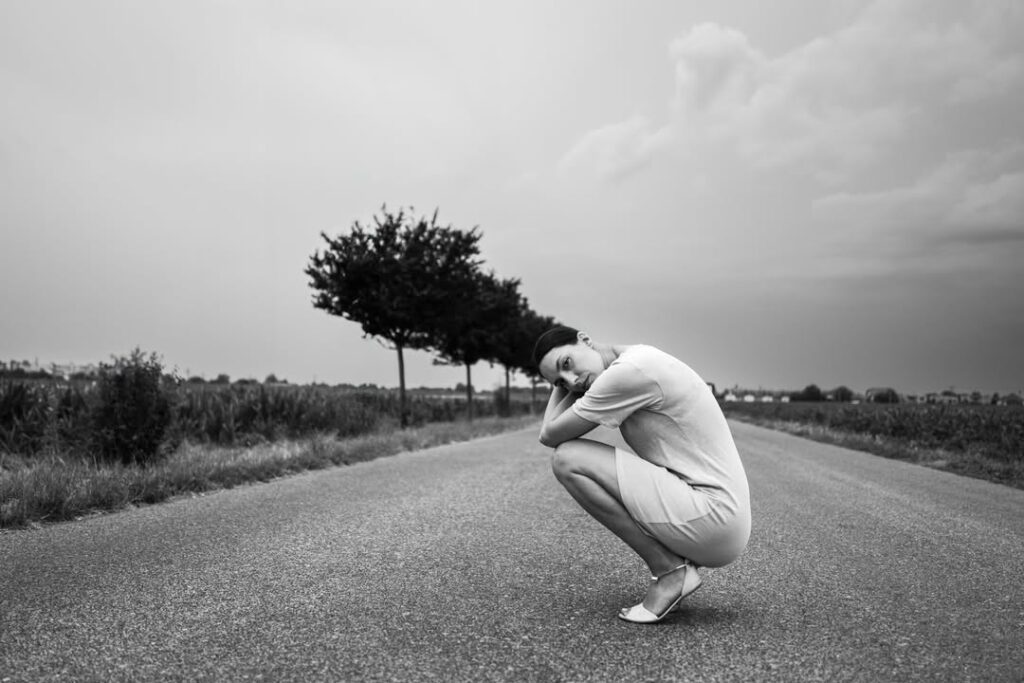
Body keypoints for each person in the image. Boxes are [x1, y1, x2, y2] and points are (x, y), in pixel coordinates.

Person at [533, 326, 750, 624]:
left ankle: (670, 572)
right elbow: (557, 419)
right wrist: (568, 376)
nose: (572, 382)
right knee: (568, 456)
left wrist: (560, 384)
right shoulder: (639, 357)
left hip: (714, 517)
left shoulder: (628, 373)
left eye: (567, 364)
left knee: (567, 459)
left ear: (585, 339)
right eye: (560, 382)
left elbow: (549, 434)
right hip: (718, 516)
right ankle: (674, 569)